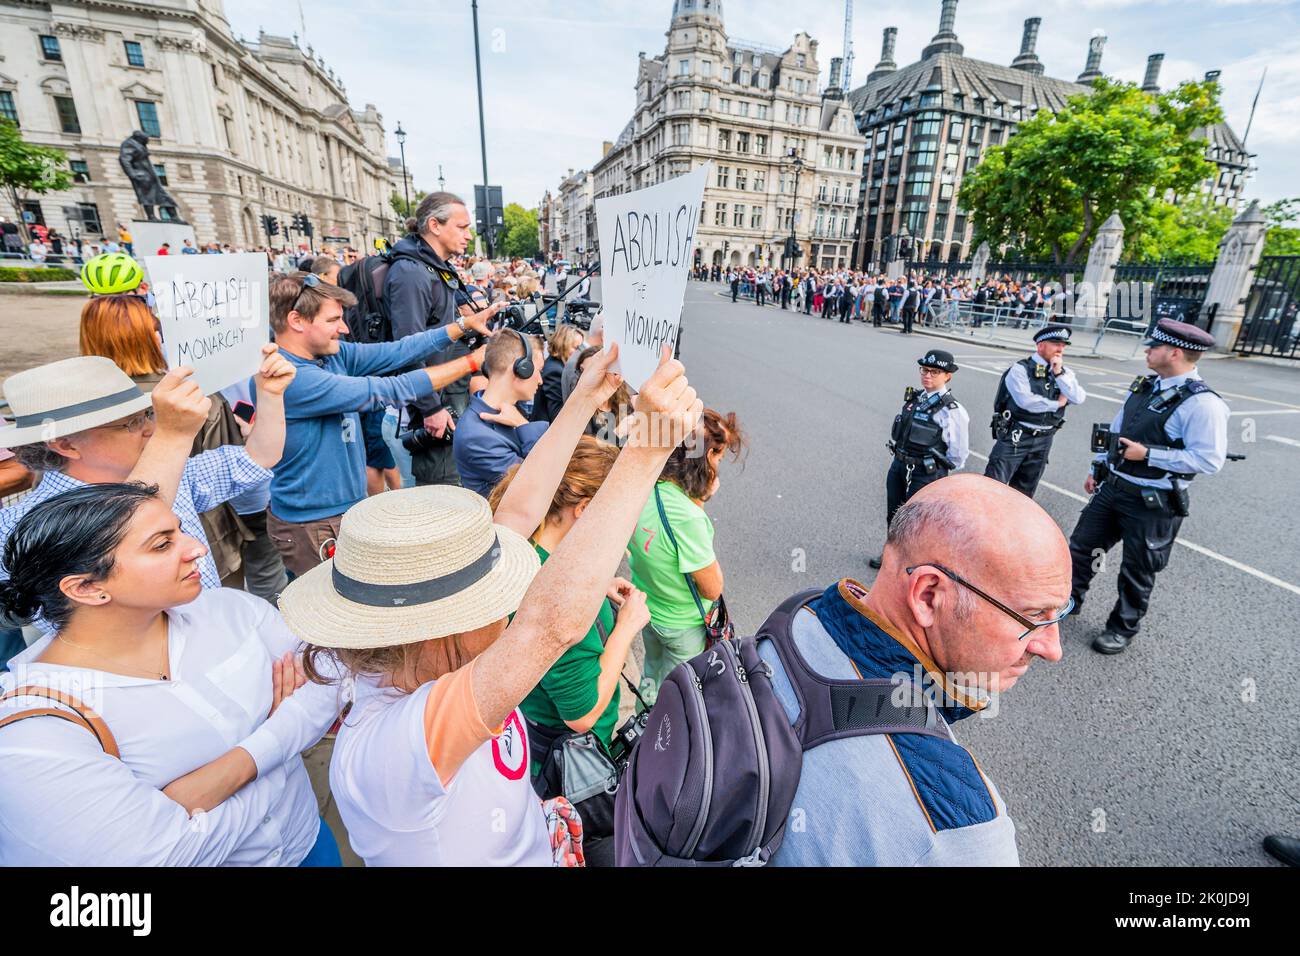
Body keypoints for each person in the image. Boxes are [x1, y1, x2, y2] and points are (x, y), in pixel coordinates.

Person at [279, 346, 701, 866]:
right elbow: (550, 628)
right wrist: (647, 451)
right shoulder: (392, 742)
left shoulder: (415, 667)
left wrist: (586, 396)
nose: (506, 607)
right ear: (434, 628)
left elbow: (521, 512)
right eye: (489, 599)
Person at [0, 483, 344, 865]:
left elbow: (327, 672)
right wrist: (284, 739)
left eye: (180, 530)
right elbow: (165, 856)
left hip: (308, 841)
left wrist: (220, 779)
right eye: (162, 545)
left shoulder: (228, 608)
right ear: (87, 587)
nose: (196, 548)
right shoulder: (35, 728)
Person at [757, 476, 1070, 865]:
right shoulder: (959, 832)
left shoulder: (800, 614)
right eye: (1034, 616)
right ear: (928, 596)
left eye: (1062, 611)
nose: (1052, 648)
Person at [0, 351, 293, 633]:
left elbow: (258, 457)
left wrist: (270, 394)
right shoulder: (20, 529)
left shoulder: (176, 471)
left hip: (214, 639)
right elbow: (118, 530)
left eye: (148, 415)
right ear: (66, 445)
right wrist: (173, 435)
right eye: (131, 423)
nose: (151, 429)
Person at [263, 272, 489, 579]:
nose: (343, 329)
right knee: (332, 616)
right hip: (312, 525)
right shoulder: (291, 378)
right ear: (297, 320)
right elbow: (389, 389)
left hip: (336, 513)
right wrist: (472, 362)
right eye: (332, 320)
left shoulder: (329, 356)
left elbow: (396, 351)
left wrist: (460, 327)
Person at [488, 437, 648, 861]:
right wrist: (625, 629)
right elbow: (583, 713)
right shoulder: (562, 592)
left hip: (527, 719)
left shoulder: (531, 546)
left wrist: (599, 585)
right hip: (565, 752)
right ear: (584, 508)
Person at [1068, 319, 1229, 656]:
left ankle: (1121, 629)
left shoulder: (1203, 404)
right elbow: (1117, 428)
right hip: (1113, 487)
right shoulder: (1146, 384)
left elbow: (1209, 460)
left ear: (1174, 352)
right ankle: (1070, 600)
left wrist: (1150, 455)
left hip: (1152, 501)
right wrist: (1097, 466)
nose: (1146, 351)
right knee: (1082, 549)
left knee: (1137, 569)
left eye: (1153, 347)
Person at [383, 194, 505, 487]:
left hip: (447, 395)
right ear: (434, 225)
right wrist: (431, 408)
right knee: (442, 494)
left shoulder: (432, 267)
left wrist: (466, 326)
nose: (468, 234)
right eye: (461, 227)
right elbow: (408, 348)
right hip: (434, 407)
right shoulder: (411, 273)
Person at [627, 408, 746, 703]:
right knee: (675, 694)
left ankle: (644, 710)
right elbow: (712, 586)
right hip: (680, 625)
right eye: (718, 456)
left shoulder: (647, 486)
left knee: (651, 674)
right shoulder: (688, 516)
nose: (719, 464)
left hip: (648, 607)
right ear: (705, 458)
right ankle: (656, 735)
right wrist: (700, 504)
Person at [869, 350, 969, 569]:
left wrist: (933, 469)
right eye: (925, 370)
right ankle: (892, 555)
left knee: (918, 522)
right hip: (899, 464)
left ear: (947, 376)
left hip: (926, 471)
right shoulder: (915, 399)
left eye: (935, 372)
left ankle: (913, 562)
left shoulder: (953, 411)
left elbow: (958, 455)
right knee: (894, 514)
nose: (928, 375)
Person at [984, 325, 1087, 499]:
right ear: (1040, 346)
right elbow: (1026, 401)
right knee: (992, 487)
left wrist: (1059, 374)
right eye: (1055, 343)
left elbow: (1078, 397)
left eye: (1063, 345)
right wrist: (1057, 403)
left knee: (1024, 493)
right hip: (1016, 435)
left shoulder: (1064, 372)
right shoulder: (1020, 369)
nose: (1060, 349)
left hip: (1044, 438)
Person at [453, 330, 549, 498]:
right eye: (538, 370)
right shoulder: (477, 437)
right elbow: (538, 484)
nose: (540, 380)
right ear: (521, 369)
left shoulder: (504, 412)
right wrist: (523, 425)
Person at [531, 325, 583, 424]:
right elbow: (556, 413)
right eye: (576, 348)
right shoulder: (555, 371)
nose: (579, 353)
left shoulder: (558, 365)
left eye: (580, 348)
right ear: (563, 344)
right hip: (546, 430)